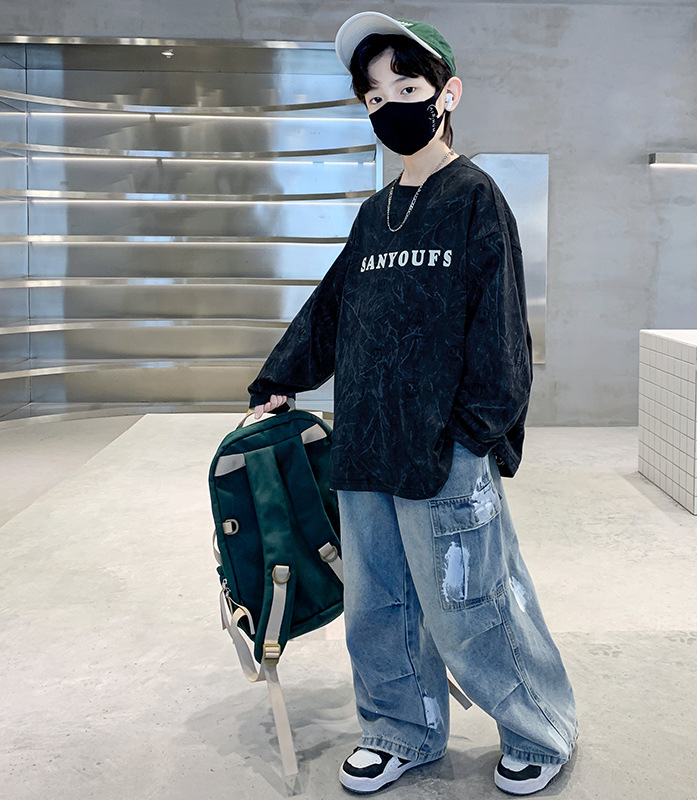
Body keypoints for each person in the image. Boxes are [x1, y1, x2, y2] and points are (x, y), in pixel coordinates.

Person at [248, 11, 578, 795]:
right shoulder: (374, 216)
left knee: (473, 604)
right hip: (366, 445)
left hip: (445, 449)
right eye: (373, 96)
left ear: (446, 93)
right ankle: (401, 730)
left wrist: (476, 435)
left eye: (406, 87)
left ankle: (538, 728)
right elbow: (331, 309)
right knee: (380, 606)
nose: (388, 105)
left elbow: (502, 327)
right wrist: (278, 380)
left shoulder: (475, 199)